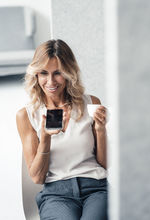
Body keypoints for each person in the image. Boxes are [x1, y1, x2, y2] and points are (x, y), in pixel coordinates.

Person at [16, 39, 108, 220]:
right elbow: (37, 178)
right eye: (43, 73)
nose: (50, 81)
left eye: (57, 73)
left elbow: (105, 164)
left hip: (96, 188)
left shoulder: (91, 104)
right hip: (56, 195)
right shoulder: (27, 115)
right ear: (36, 74)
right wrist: (45, 138)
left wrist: (101, 130)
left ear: (69, 73)